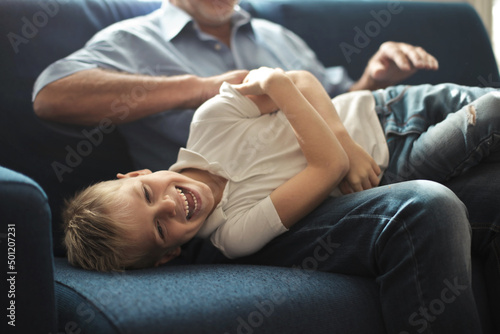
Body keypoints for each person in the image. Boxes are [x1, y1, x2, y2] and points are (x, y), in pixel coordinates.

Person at [63, 68, 498, 333]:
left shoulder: (209, 120)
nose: (169, 206)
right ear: (169, 255)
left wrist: (334, 128)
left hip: (383, 108)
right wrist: (274, 81)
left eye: (145, 194)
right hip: (393, 156)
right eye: (160, 228)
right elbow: (327, 167)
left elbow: (304, 80)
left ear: (138, 174)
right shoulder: (234, 235)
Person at [32, 0, 438, 172]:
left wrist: (372, 79)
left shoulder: (277, 36)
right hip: (250, 205)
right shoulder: (133, 39)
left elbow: (337, 108)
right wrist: (203, 88)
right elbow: (52, 96)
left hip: (354, 170)